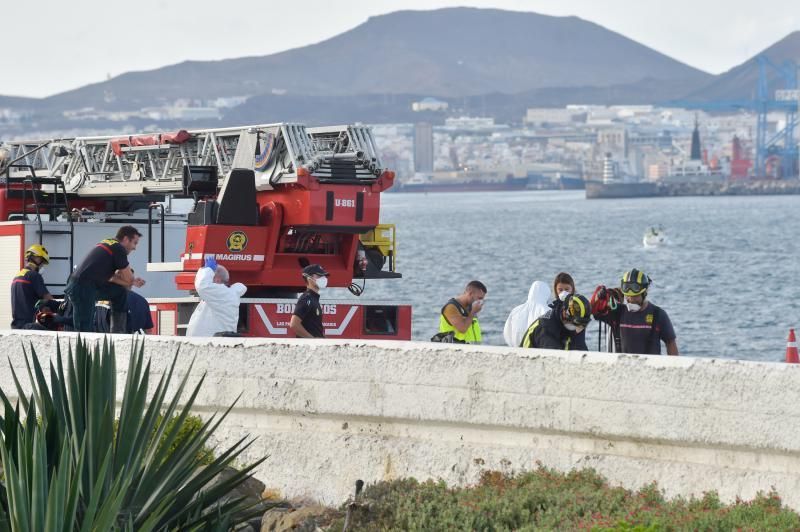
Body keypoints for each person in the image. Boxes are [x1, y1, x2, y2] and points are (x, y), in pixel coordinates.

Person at [65, 226, 145, 332]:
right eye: (134, 243)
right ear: (126, 239)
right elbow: (128, 279)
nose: (134, 248)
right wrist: (132, 281)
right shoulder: (118, 248)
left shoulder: (109, 243)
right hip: (82, 287)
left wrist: (131, 281)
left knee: (119, 292)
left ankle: (117, 333)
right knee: (84, 329)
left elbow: (111, 278)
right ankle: (83, 347)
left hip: (86, 286)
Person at [591, 268, 679, 356]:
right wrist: (602, 295)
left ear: (645, 293)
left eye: (635, 296)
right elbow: (593, 310)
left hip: (649, 367)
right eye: (628, 296)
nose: (631, 299)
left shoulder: (658, 315)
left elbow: (670, 343)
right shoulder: (617, 313)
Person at [186, 257, 247, 337]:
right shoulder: (223, 294)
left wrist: (208, 270)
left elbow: (202, 285)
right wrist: (206, 270)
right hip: (211, 342)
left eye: (210, 276)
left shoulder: (222, 294)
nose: (209, 279)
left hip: (210, 343)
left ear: (217, 280)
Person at [521, 293, 592, 350]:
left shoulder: (569, 326)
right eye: (577, 324)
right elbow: (555, 360)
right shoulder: (546, 329)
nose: (580, 328)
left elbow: (581, 351)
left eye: (584, 324)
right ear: (565, 314)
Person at [11, 244, 54, 328]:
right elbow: (49, 299)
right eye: (42, 261)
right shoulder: (34, 276)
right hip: (28, 325)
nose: (42, 266)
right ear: (36, 258)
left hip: (16, 326)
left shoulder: (17, 276)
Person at [503, 281, 550, 347]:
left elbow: (507, 333)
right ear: (547, 294)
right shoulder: (547, 311)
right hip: (538, 350)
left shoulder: (516, 310)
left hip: (517, 349)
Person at [290, 264, 329, 338]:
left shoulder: (314, 298)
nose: (323, 278)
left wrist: (324, 340)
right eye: (319, 276)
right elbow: (294, 324)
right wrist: (312, 340)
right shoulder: (306, 298)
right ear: (308, 278)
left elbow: (315, 327)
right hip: (308, 347)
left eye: (324, 276)